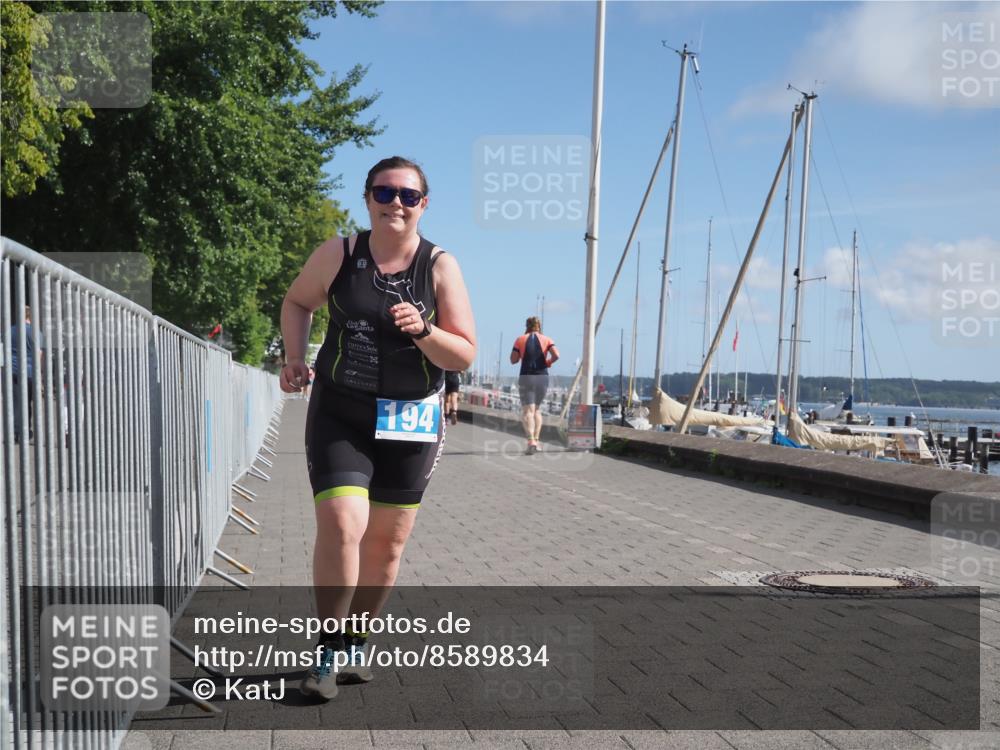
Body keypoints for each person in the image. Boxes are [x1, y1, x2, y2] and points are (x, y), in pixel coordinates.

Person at [280, 156, 476, 701]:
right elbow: (297, 302)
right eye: (384, 193)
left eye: (408, 196)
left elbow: (461, 354)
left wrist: (425, 330)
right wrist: (295, 357)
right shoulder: (339, 254)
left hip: (411, 417)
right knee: (343, 525)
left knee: (386, 548)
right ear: (367, 198)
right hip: (341, 410)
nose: (395, 203)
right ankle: (326, 650)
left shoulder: (439, 266)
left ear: (423, 205)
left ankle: (354, 641)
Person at [510, 316, 558, 455]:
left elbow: (513, 360)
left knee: (528, 411)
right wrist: (547, 363)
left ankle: (531, 441)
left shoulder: (520, 339)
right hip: (542, 377)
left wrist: (520, 355)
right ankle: (536, 441)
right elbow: (557, 355)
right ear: (539, 326)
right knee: (537, 410)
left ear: (527, 326)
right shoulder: (547, 339)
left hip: (526, 377)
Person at [9, 306, 41, 444]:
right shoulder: (34, 332)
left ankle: (15, 431)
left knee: (15, 402)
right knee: (26, 402)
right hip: (28, 371)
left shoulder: (10, 330)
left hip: (12, 370)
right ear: (30, 315)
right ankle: (25, 430)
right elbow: (39, 353)